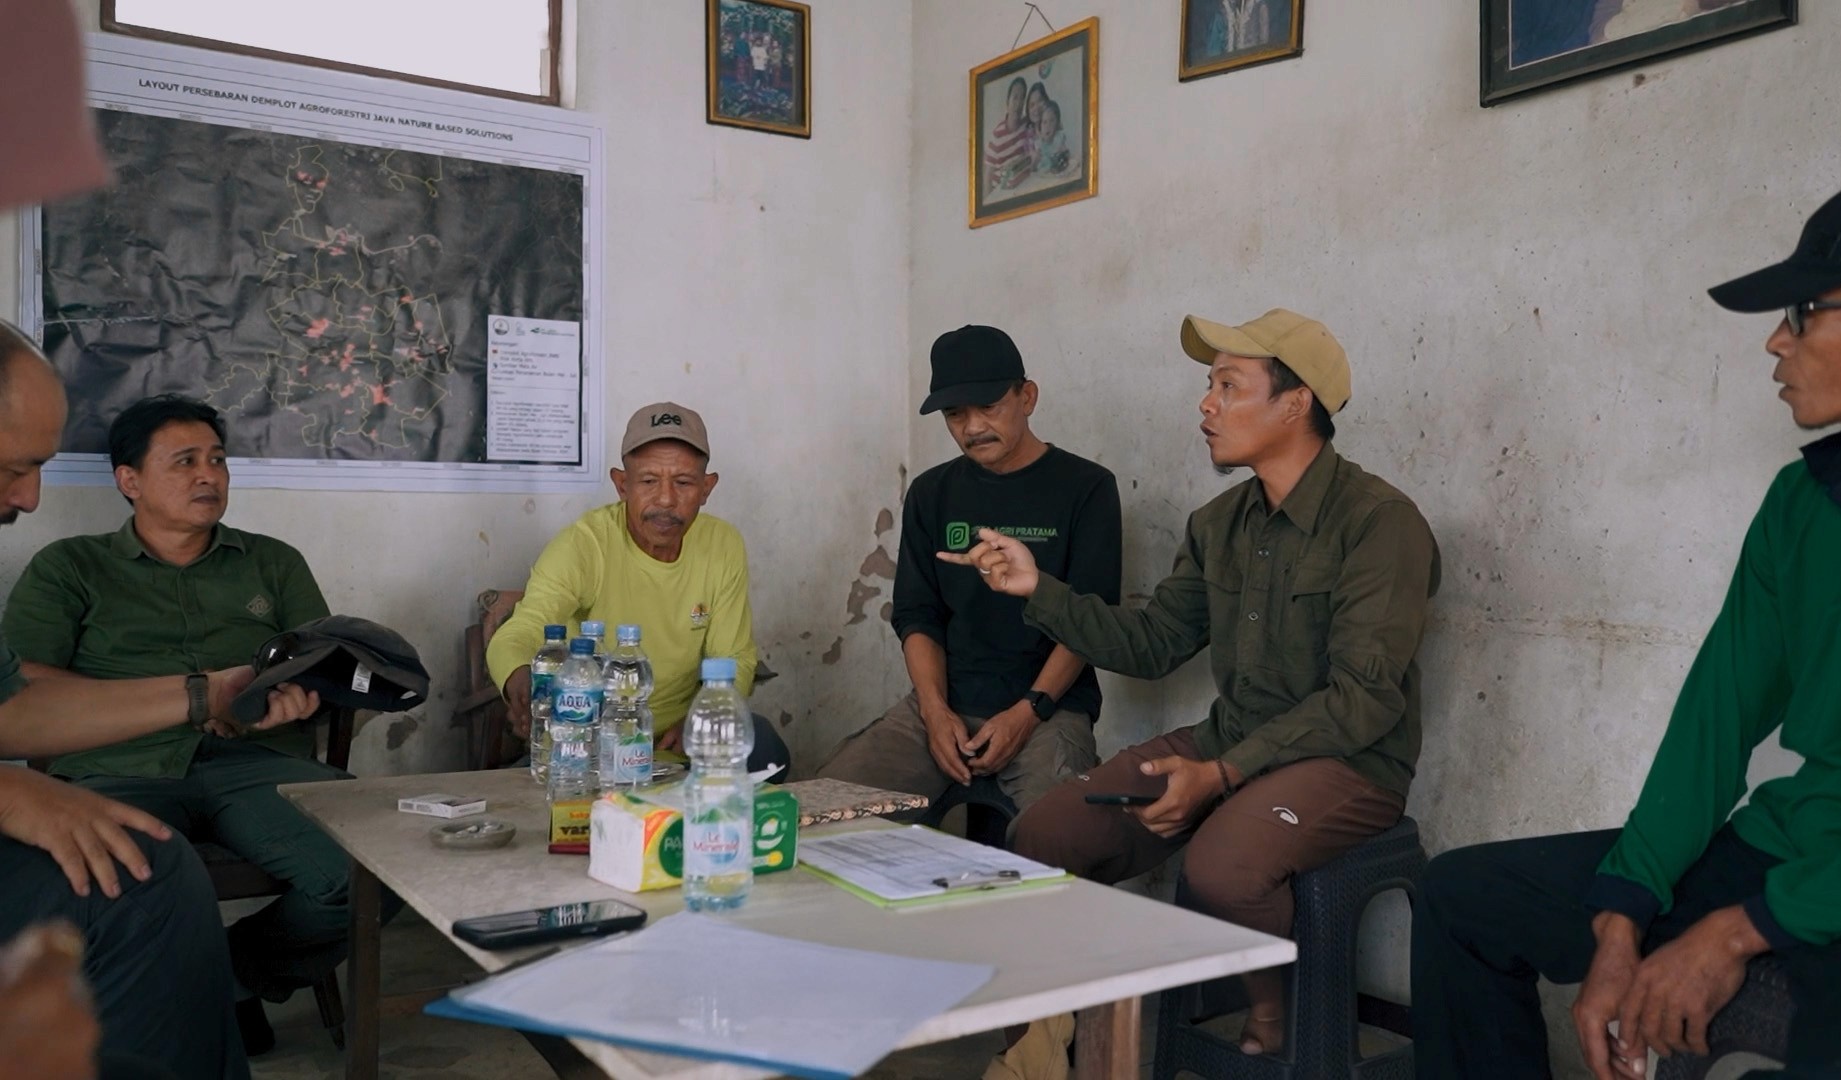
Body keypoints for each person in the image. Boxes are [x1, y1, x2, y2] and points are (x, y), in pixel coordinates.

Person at [1411, 172, 1841, 1080]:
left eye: (1803, 312)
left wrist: (1741, 930)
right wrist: (1623, 913)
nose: (1775, 341)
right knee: (1463, 899)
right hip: (1793, 839)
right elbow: (1714, 723)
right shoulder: (1802, 501)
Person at [950, 308, 1441, 1059]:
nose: (1205, 404)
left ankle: (1275, 1015)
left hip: (1351, 763)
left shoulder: (1379, 524)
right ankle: (1042, 1048)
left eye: (1227, 385)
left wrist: (1222, 775)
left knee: (1223, 866)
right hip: (1230, 741)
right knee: (1042, 834)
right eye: (1207, 385)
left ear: (1295, 401)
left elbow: (1363, 701)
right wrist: (1036, 588)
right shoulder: (1218, 524)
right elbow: (1151, 645)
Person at [0, 324, 328, 1078]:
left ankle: (232, 982)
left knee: (372, 859)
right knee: (142, 872)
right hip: (120, 768)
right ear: (130, 480)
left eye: (217, 459)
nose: (29, 496)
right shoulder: (70, 566)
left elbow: (316, 664)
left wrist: (265, 696)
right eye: (185, 461)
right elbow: (27, 692)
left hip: (254, 764)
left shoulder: (273, 563)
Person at [818, 326, 1121, 821]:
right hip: (943, 706)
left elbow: (1089, 622)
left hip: (1049, 709)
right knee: (822, 815)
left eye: (989, 407)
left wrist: (1027, 714)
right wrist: (934, 713)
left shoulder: (1086, 488)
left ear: (1028, 397)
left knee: (1064, 838)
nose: (973, 426)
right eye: (955, 414)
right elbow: (917, 615)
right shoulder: (931, 493)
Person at [488, 403, 791, 776]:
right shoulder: (585, 545)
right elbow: (520, 631)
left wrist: (699, 720)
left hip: (681, 752)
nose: (665, 499)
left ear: (707, 488)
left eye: (683, 482)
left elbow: (736, 659)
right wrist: (520, 681)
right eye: (648, 481)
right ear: (621, 485)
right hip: (588, 752)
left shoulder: (722, 545)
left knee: (765, 747)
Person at [984, 77, 1032, 195]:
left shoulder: (1027, 126)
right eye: (1015, 98)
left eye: (1022, 99)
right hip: (1001, 192)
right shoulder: (996, 137)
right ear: (1007, 102)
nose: (1018, 104)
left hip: (1021, 188)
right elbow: (987, 179)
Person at [1032, 100, 1069, 177]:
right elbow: (1033, 170)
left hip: (1057, 176)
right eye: (1044, 122)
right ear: (1040, 126)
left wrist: (1064, 153)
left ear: (1057, 123)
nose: (1047, 126)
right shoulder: (1038, 145)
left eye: (1051, 121)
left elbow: (1066, 158)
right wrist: (1035, 162)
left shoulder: (1059, 139)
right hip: (1043, 178)